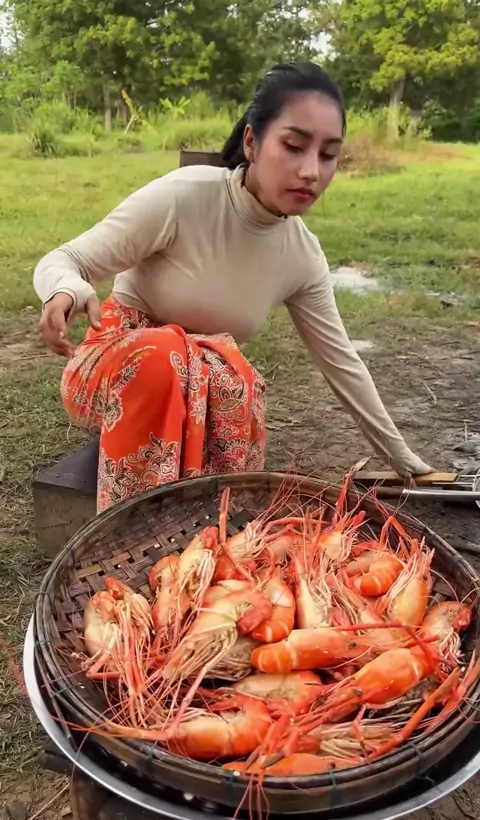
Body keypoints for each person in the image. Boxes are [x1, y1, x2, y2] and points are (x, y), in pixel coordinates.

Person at [34, 61, 431, 513]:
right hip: (115, 371)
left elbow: (342, 363)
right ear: (251, 142)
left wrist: (404, 459)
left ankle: (210, 533)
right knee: (163, 357)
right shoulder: (184, 197)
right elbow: (66, 259)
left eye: (328, 155)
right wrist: (65, 289)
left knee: (233, 376)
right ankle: (127, 534)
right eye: (294, 146)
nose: (311, 171)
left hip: (204, 397)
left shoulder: (301, 255)